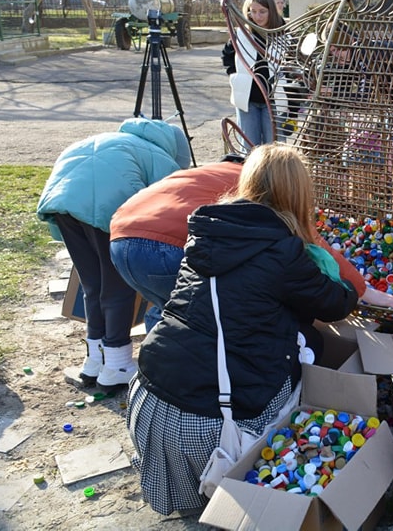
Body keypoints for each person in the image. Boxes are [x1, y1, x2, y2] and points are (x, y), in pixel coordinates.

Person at [127, 143, 360, 516]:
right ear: (298, 194)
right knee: (308, 349)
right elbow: (335, 303)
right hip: (208, 422)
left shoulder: (207, 229)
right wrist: (340, 279)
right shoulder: (283, 251)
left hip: (150, 395)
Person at [109, 154, 393, 331]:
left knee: (169, 312)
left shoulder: (216, 173)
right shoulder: (262, 187)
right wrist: (363, 290)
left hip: (119, 240)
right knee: (200, 322)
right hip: (162, 246)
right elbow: (309, 238)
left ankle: (157, 383)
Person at [36, 118, 191, 392]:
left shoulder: (117, 139)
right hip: (109, 206)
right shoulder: (160, 157)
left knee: (92, 284)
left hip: (62, 200)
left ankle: (95, 360)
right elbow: (168, 206)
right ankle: (118, 365)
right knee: (117, 287)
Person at [221, 0, 290, 146]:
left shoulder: (283, 33)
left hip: (273, 100)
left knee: (275, 149)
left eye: (262, 12)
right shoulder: (241, 33)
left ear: (271, 11)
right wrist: (235, 77)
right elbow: (227, 56)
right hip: (248, 100)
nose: (257, 17)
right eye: (253, 11)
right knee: (250, 148)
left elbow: (291, 62)